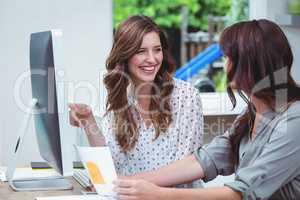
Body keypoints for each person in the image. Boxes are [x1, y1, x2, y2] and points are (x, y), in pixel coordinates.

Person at [113, 19, 300, 200]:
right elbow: (205, 160)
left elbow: (241, 193)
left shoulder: (293, 121)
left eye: (229, 58)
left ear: (254, 63)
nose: (225, 66)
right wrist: (125, 183)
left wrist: (158, 195)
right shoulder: (252, 112)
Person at [69, 15, 203, 185]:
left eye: (157, 49)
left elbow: (188, 170)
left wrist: (132, 185)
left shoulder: (186, 96)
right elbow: (111, 165)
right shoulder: (120, 96)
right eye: (141, 51)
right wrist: (88, 121)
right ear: (124, 55)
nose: (152, 59)